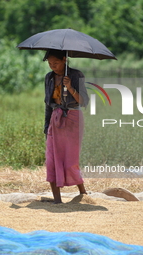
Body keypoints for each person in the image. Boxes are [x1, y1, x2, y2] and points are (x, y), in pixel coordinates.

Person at [43, 49, 89, 204]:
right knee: (51, 160)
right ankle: (57, 200)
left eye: (55, 63)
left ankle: (84, 194)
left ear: (65, 59)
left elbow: (84, 102)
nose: (52, 66)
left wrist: (70, 87)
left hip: (73, 118)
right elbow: (48, 104)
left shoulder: (76, 76)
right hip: (55, 120)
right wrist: (46, 125)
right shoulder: (49, 78)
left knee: (70, 160)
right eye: (50, 63)